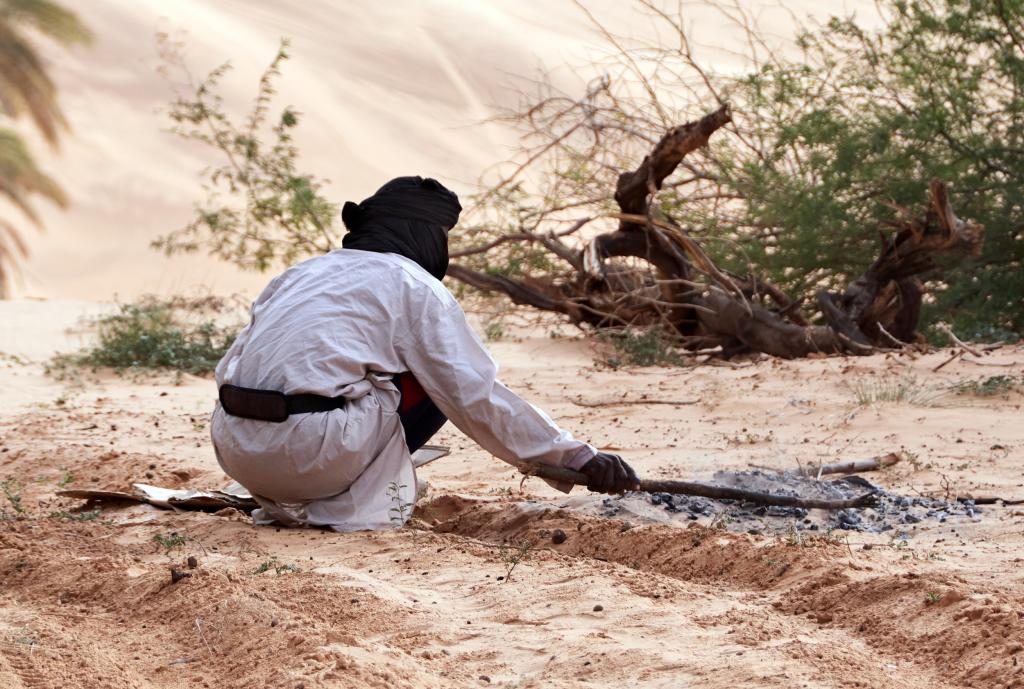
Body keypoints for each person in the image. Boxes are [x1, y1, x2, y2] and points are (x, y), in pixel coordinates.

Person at [211, 176, 639, 531]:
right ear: (423, 235)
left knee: (378, 373)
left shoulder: (301, 272)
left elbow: (232, 367)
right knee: (434, 377)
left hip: (237, 451)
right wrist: (577, 456)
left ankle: (338, 476)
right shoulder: (413, 285)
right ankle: (351, 492)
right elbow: (475, 395)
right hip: (310, 459)